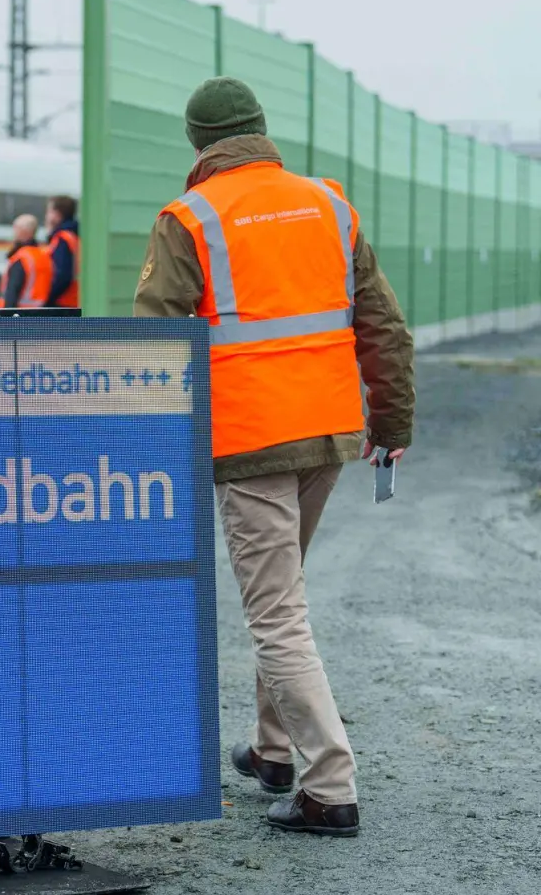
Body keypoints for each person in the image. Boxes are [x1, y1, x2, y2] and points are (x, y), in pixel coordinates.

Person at [134, 76, 416, 837]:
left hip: (252, 438)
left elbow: (156, 350)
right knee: (285, 592)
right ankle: (273, 752)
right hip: (327, 433)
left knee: (275, 613)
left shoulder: (189, 217)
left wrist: (155, 459)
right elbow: (384, 327)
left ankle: (330, 787)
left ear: (198, 143)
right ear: (260, 129)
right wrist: (390, 425)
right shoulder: (329, 204)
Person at [0, 214, 53, 308]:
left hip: (19, 315)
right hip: (40, 313)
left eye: (16, 228)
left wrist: (6, 316)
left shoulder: (21, 258)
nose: (14, 233)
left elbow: (12, 291)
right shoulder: (44, 255)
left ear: (24, 231)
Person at [44, 195, 80, 308]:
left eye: (49, 211)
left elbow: (62, 276)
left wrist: (47, 299)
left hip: (62, 303)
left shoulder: (63, 239)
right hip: (73, 301)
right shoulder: (74, 236)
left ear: (57, 214)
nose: (46, 216)